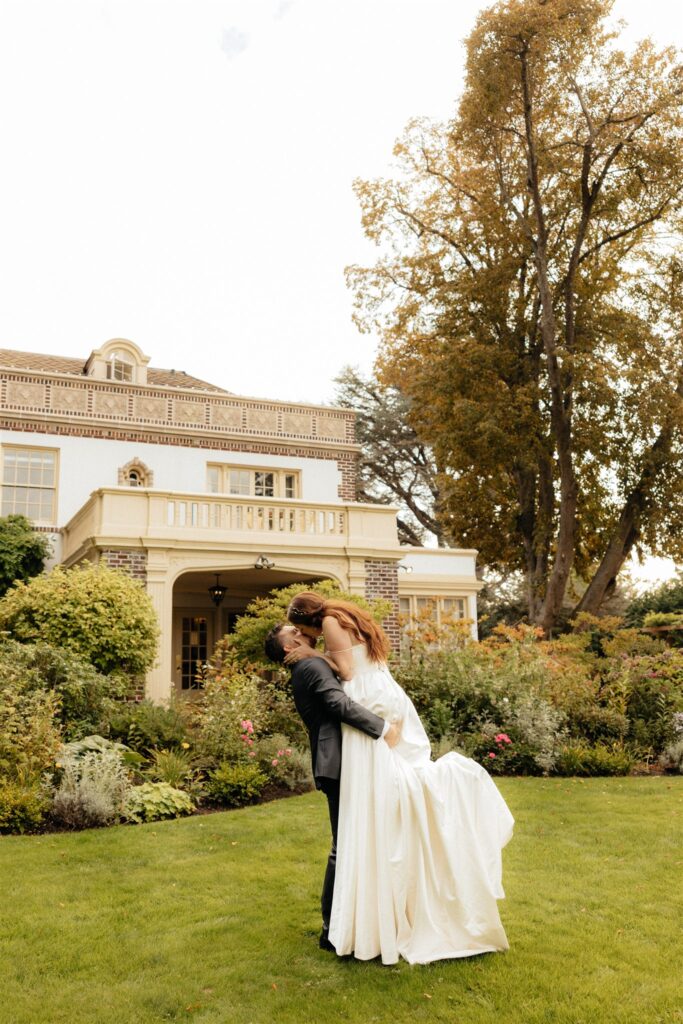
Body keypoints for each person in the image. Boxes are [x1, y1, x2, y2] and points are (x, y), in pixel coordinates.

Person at [282, 591, 515, 966]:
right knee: (390, 794)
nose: (305, 637)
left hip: (367, 700)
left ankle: (352, 920)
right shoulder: (345, 616)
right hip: (382, 691)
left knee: (368, 814)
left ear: (307, 620)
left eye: (301, 629)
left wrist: (313, 654)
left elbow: (346, 673)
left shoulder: (328, 623)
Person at [263, 623, 401, 953]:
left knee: (349, 844)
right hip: (339, 763)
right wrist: (382, 728)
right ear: (288, 646)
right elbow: (337, 703)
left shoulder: (310, 661)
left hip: (341, 761)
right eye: (291, 631)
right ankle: (331, 928)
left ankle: (347, 922)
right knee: (343, 847)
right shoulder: (309, 666)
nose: (298, 630)